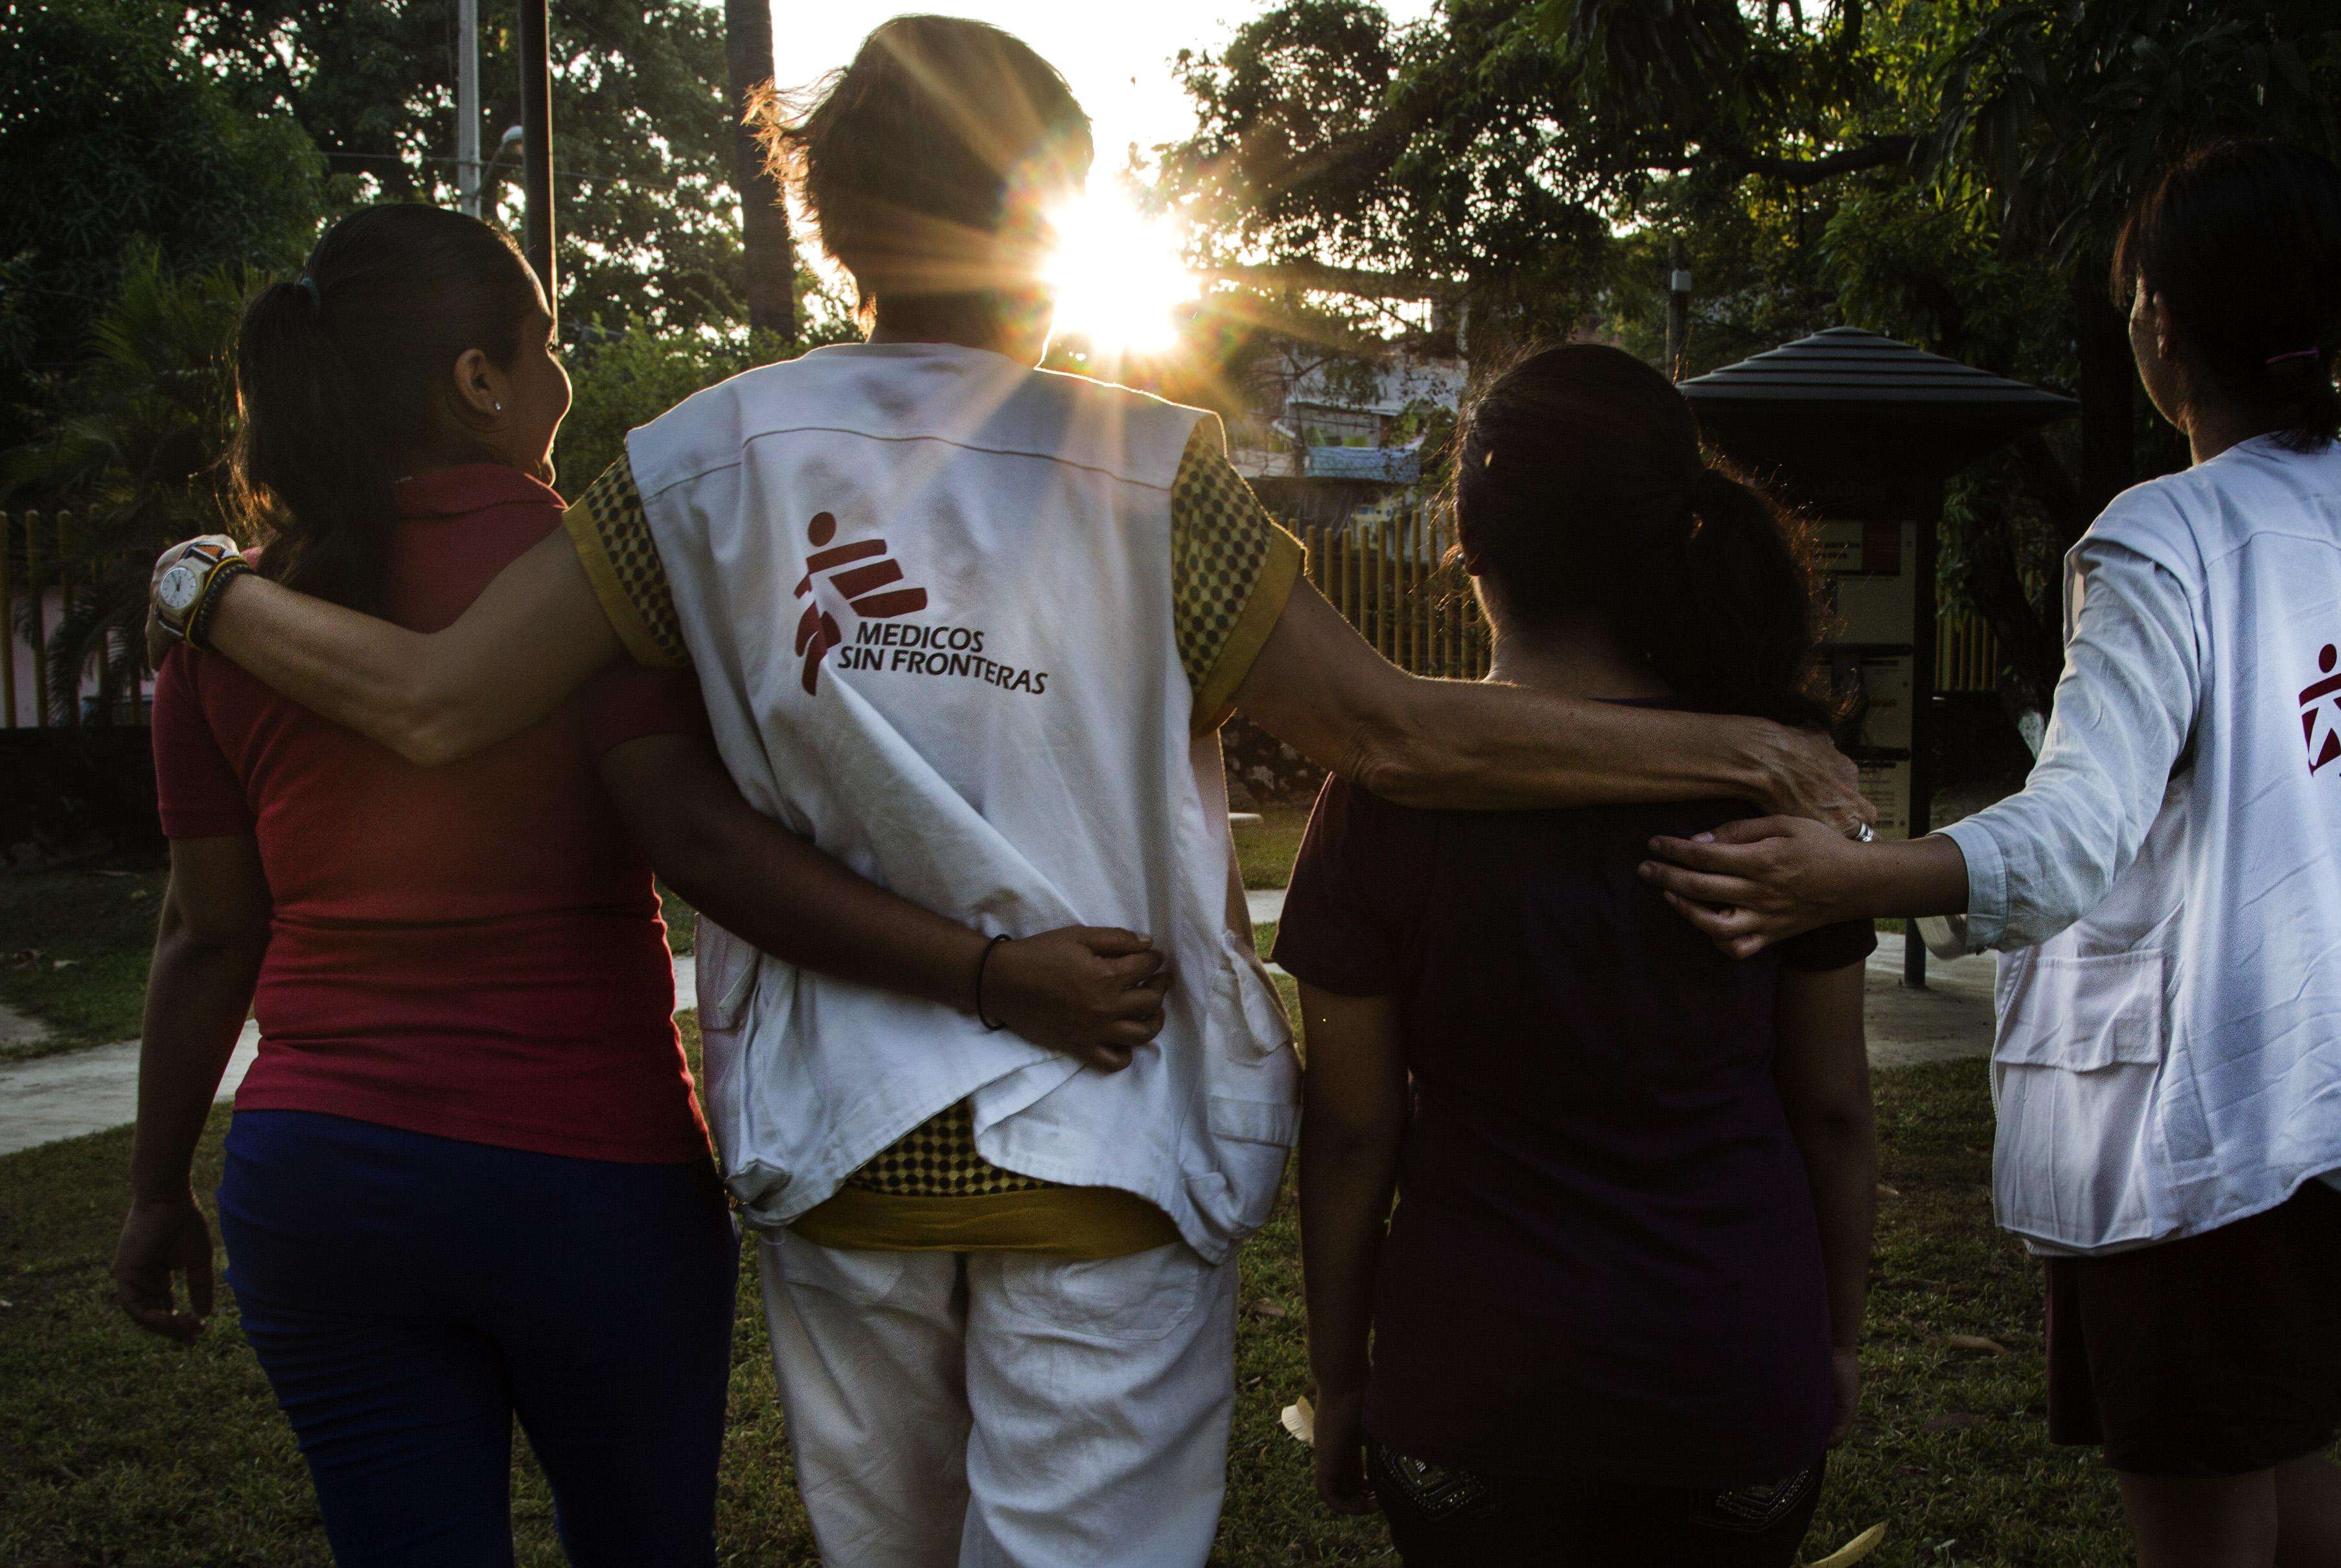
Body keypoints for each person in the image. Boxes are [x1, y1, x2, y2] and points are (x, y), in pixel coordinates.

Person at [138, 20, 1869, 1566]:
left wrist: (207, 590)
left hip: (842, 1153)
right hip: (1107, 1142)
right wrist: (1738, 744)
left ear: (837, 224)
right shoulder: (1145, 470)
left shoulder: (688, 471)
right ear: (1044, 212)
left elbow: (436, 706)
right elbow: (1400, 732)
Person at [110, 202, 1175, 1568]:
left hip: (320, 1178)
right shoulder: (604, 579)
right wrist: (989, 967)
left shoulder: (226, 625)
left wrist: (155, 1189)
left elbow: (208, 934)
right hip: (582, 1171)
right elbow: (705, 842)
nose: (563, 379)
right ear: (480, 381)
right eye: (546, 345)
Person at [1641, 141, 2341, 1568]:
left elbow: (2072, 835)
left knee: (2206, 1497)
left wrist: (1846, 878)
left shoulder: (2166, 537)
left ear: (2160, 327)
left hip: (2220, 1137)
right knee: (2281, 1466)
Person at [1278, 345, 1878, 1567]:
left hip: (1472, 1404)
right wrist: (1833, 1343)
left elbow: (1351, 1133)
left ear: (1471, 549)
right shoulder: (1784, 771)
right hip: (1736, 1388)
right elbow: (1832, 1108)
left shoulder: (1383, 799)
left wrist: (1340, 1380)